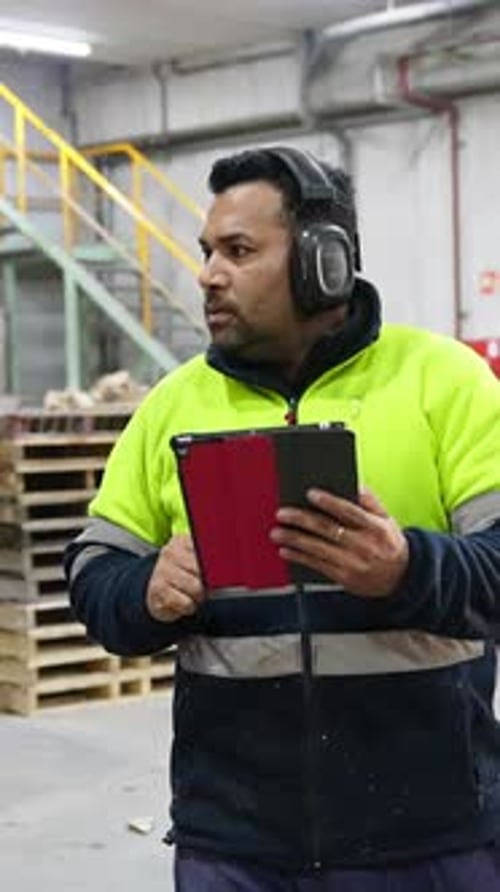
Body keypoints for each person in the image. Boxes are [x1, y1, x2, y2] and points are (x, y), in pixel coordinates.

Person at [64, 145, 500, 891]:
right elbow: (92, 573)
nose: (207, 274)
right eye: (208, 252)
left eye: (238, 250)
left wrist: (406, 570)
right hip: (233, 843)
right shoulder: (173, 405)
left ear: (324, 262)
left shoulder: (443, 381)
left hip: (426, 837)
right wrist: (145, 590)